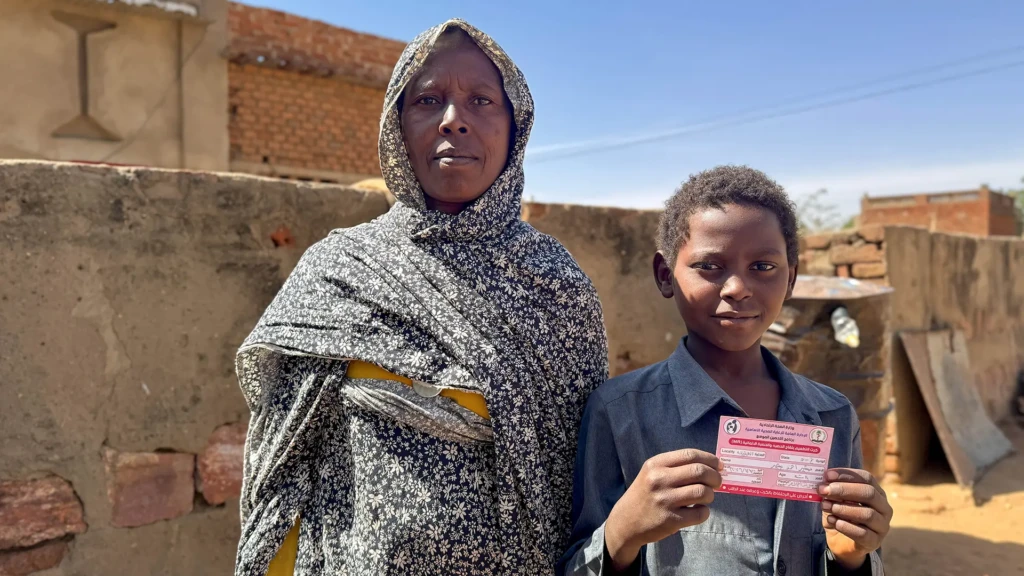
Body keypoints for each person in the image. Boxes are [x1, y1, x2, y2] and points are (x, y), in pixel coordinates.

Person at [233, 19, 608, 576]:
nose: (454, 120)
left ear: (515, 126)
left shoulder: (557, 287)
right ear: (396, 125)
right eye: (428, 100)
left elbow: (585, 482)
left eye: (481, 100)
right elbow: (284, 468)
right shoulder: (339, 271)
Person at [558, 166, 891, 575]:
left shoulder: (833, 415)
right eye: (710, 266)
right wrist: (622, 532)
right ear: (666, 276)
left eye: (764, 267)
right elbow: (574, 564)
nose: (737, 288)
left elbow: (849, 554)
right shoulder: (620, 413)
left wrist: (852, 556)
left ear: (792, 278)